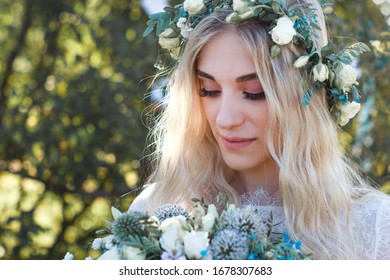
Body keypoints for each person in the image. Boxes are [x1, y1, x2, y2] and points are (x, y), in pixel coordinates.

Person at [130, 0, 390, 259]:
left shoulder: (375, 227)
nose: (225, 119)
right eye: (209, 90)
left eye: (255, 93)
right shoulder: (155, 210)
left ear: (303, 97)